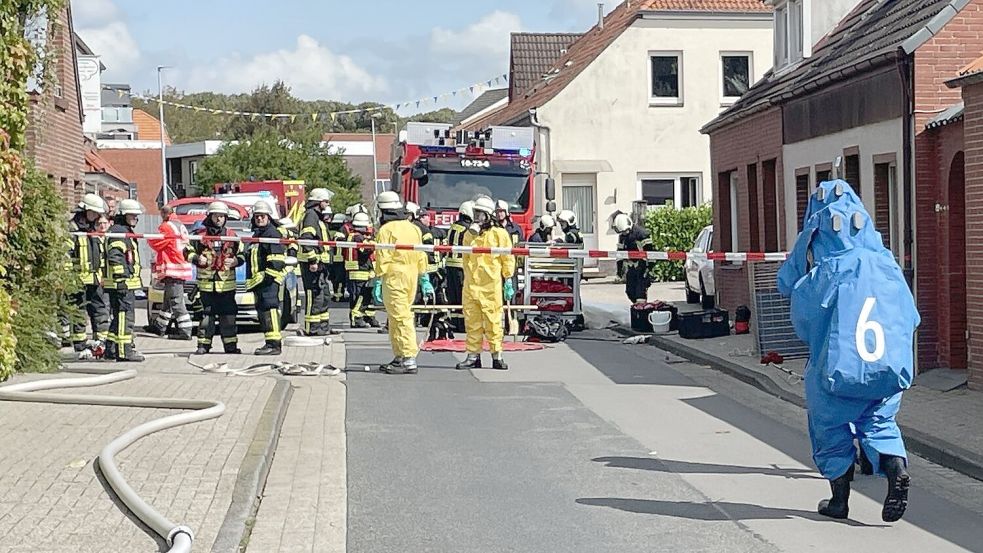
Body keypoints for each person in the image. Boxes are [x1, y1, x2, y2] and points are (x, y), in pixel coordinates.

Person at [456, 196, 516, 371]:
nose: (477, 218)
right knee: (472, 322)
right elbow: (466, 259)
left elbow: (508, 258)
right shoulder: (469, 234)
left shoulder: (499, 234)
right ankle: (473, 356)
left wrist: (508, 280)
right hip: (471, 285)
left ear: (489, 216)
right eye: (476, 213)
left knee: (493, 322)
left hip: (491, 286)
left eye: (481, 214)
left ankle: (497, 356)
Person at [372, 191, 428, 374]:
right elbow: (421, 255)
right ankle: (400, 356)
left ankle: (408, 358)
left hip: (394, 277)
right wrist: (423, 276)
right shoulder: (413, 228)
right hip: (411, 277)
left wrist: (379, 278)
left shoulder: (386, 231)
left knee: (400, 317)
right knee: (398, 317)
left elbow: (383, 256)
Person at [186, 202, 243, 355]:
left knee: (229, 317)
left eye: (222, 216)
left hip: (226, 286)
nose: (219, 219)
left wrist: (236, 261)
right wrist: (197, 259)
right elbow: (187, 251)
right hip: (206, 286)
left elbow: (244, 253)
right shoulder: (199, 235)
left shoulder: (231, 236)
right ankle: (203, 346)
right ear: (210, 216)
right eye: (216, 216)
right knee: (206, 318)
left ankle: (230, 347)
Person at [66, 193, 110, 350]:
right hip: (77, 280)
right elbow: (66, 255)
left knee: (99, 309)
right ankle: (80, 343)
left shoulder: (94, 229)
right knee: (78, 311)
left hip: (95, 279)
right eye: (94, 213)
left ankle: (102, 342)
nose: (97, 216)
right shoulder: (73, 229)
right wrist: (69, 277)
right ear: (85, 210)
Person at [104, 199, 146, 362]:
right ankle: (124, 351)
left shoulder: (122, 230)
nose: (135, 218)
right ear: (123, 215)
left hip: (122, 283)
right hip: (122, 283)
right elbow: (115, 257)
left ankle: (111, 348)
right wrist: (122, 278)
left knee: (118, 317)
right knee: (124, 317)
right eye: (132, 215)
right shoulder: (118, 232)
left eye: (136, 216)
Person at [146, 205, 193, 340]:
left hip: (173, 269)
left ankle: (185, 330)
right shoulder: (179, 225)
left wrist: (149, 238)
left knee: (176, 301)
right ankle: (159, 327)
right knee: (167, 300)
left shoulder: (167, 226)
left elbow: (156, 242)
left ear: (164, 214)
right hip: (180, 267)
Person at [246, 201, 288, 356]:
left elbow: (276, 261)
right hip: (261, 282)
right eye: (256, 216)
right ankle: (269, 343)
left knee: (270, 310)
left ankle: (274, 344)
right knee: (263, 313)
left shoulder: (271, 233)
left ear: (269, 217)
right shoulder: (257, 234)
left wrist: (266, 278)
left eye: (262, 216)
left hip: (269, 281)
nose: (259, 219)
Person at [298, 188, 333, 336]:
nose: (328, 203)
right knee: (314, 296)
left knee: (324, 295)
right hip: (311, 264)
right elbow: (306, 238)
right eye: (326, 201)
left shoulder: (317, 217)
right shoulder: (311, 216)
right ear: (319, 201)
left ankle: (322, 327)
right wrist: (313, 260)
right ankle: (311, 327)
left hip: (320, 264)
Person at [345, 212, 379, 328]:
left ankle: (367, 316)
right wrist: (374, 244)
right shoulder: (357, 236)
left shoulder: (353, 235)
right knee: (360, 296)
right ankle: (356, 317)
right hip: (359, 271)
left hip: (359, 270)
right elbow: (364, 250)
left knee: (366, 295)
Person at [444, 200, 473, 332]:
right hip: (462, 266)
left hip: (450, 265)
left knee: (453, 295)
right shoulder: (468, 229)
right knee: (463, 296)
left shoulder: (453, 227)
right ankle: (463, 324)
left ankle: (454, 322)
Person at [613, 213, 654, 304]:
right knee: (630, 292)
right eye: (622, 232)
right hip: (631, 268)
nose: (624, 233)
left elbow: (651, 253)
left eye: (625, 231)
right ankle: (638, 308)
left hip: (643, 267)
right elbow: (620, 254)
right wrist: (619, 272)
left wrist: (649, 269)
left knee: (640, 294)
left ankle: (641, 313)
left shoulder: (642, 234)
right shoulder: (622, 237)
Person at [328, 210, 353, 302]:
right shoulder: (343, 230)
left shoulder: (330, 231)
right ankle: (338, 295)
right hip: (340, 259)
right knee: (340, 278)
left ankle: (337, 295)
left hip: (332, 258)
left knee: (335, 278)